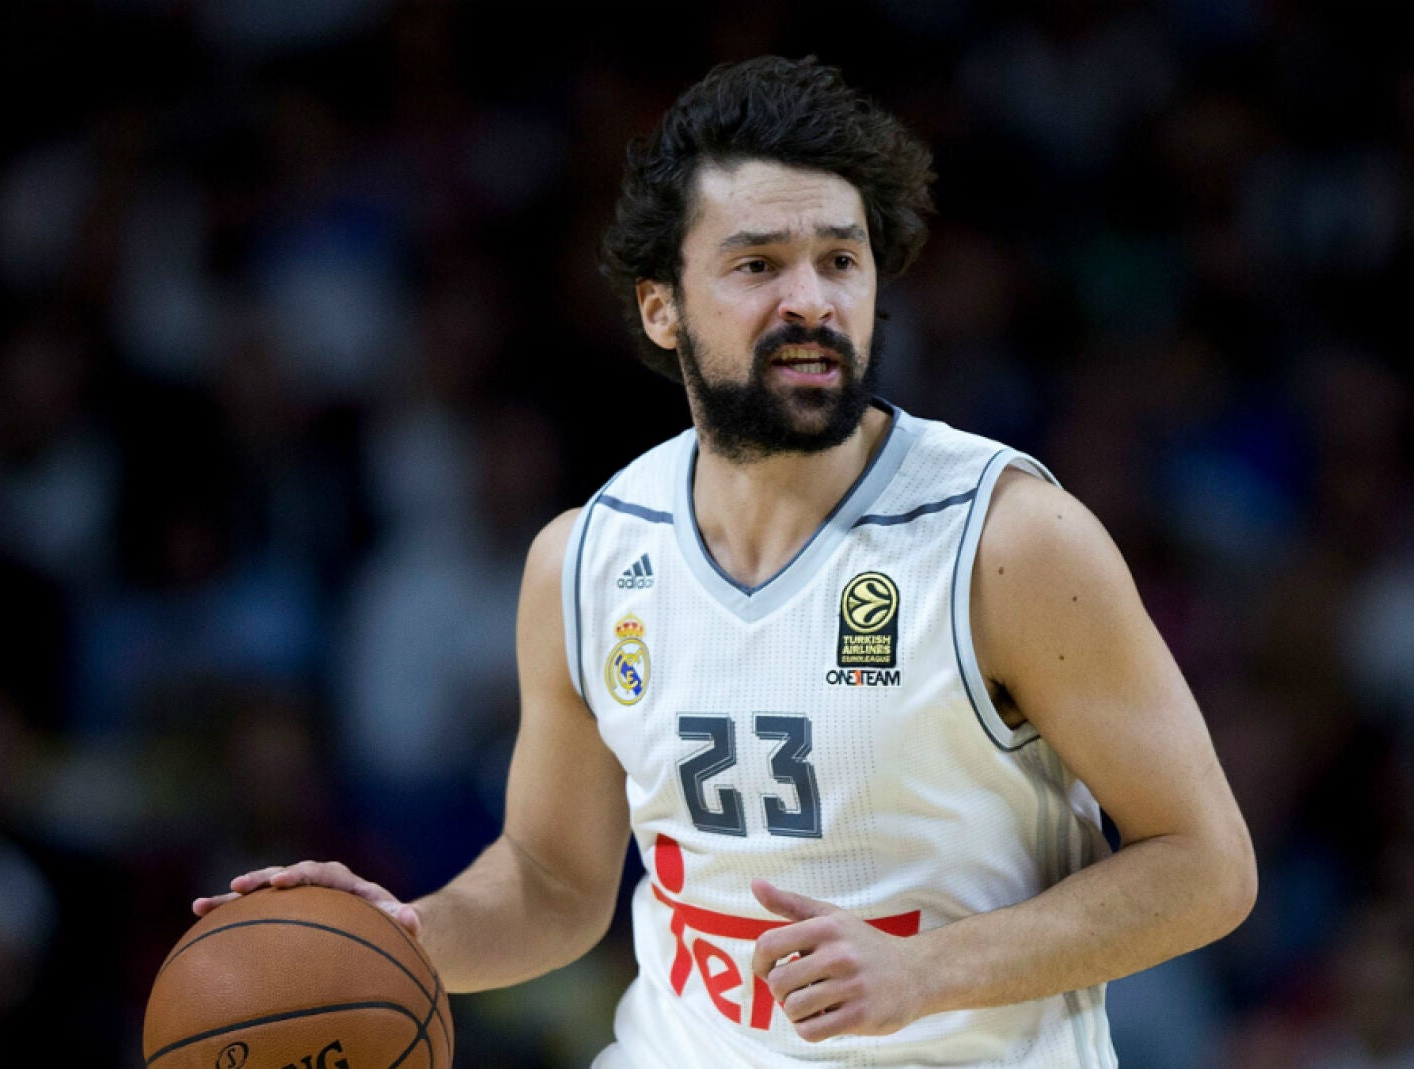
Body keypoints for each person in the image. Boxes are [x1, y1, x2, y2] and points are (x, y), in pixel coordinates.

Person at [196, 55, 1257, 1067]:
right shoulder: (586, 559)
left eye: (841, 260)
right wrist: (402, 938)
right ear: (661, 307)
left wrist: (931, 968)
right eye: (758, 265)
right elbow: (555, 883)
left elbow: (1206, 864)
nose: (811, 300)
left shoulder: (1009, 539)